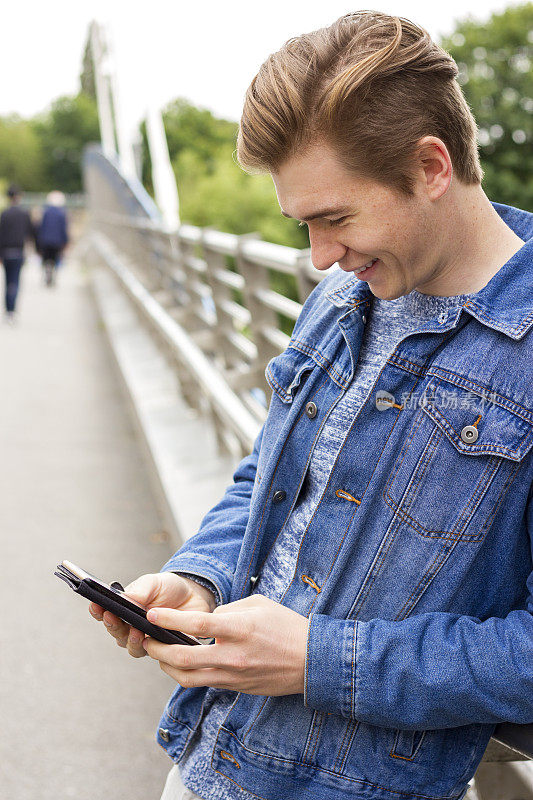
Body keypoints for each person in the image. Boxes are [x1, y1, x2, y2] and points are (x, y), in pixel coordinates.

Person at [90, 11, 533, 800]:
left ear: (431, 166)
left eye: (335, 219)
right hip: (207, 757)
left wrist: (316, 660)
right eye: (304, 225)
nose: (320, 257)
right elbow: (272, 474)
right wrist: (198, 581)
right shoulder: (338, 297)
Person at [0, 184, 35, 322]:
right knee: (15, 282)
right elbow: (31, 233)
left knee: (7, 281)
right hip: (18, 252)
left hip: (5, 252)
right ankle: (12, 311)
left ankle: (7, 309)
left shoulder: (4, 214)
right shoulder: (24, 214)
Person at [37, 191, 69, 287]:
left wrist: (38, 241)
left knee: (46, 258)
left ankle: (47, 271)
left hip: (45, 240)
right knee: (55, 259)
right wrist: (65, 241)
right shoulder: (61, 214)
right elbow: (63, 229)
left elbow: (41, 227)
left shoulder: (45, 212)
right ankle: (52, 274)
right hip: (57, 241)